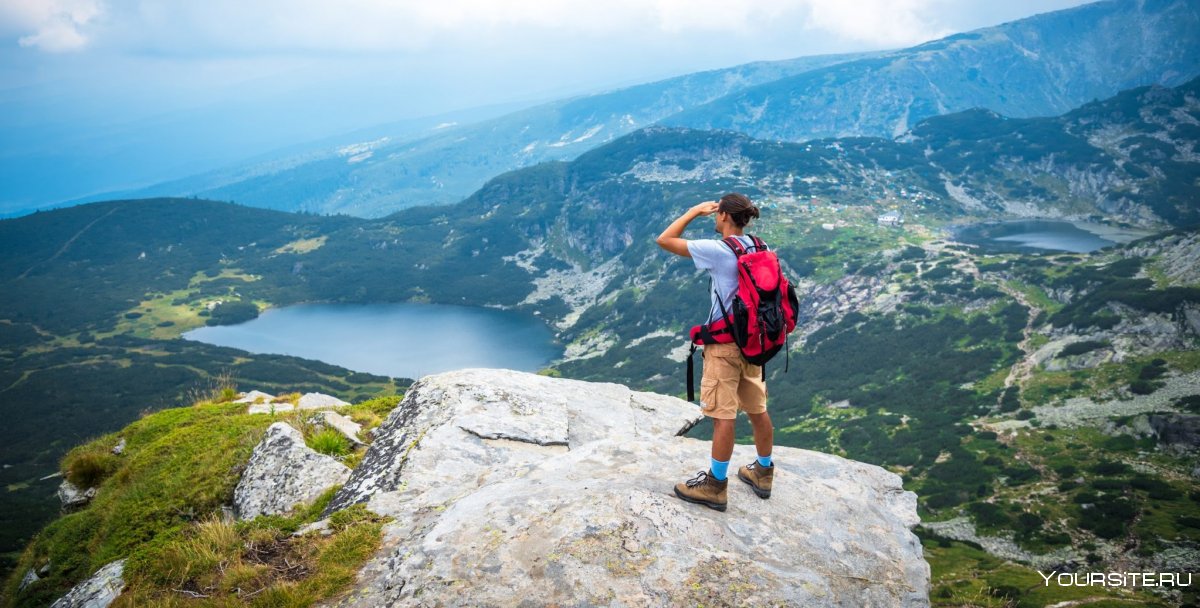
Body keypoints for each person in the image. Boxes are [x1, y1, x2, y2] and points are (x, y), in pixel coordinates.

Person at [655, 192, 775, 512]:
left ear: (722, 215)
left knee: (723, 416)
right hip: (753, 342)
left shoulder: (718, 250)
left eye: (717, 212)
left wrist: (694, 211)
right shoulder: (758, 246)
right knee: (757, 408)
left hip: (723, 347)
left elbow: (665, 240)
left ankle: (715, 485)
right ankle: (763, 471)